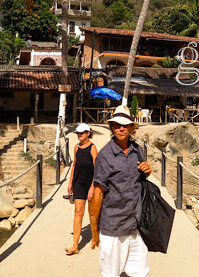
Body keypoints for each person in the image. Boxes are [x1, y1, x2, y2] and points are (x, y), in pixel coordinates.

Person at [89, 105, 152, 277]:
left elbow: (141, 181)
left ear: (132, 127)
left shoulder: (138, 150)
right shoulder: (105, 156)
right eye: (117, 124)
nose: (121, 128)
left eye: (125, 124)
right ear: (111, 127)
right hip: (113, 228)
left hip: (135, 226)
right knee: (111, 274)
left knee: (141, 273)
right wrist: (95, 232)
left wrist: (148, 169)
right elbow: (98, 194)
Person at [65, 123, 98, 255]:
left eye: (82, 133)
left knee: (92, 213)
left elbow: (97, 169)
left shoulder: (93, 148)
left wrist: (92, 187)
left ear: (88, 133)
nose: (79, 135)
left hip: (90, 183)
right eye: (78, 133)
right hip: (78, 183)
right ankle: (75, 245)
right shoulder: (76, 147)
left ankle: (96, 237)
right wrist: (70, 182)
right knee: (78, 212)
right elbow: (74, 165)